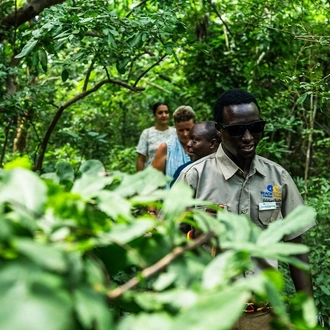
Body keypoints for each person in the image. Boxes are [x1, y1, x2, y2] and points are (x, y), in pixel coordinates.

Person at [176, 88, 314, 329]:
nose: (248, 137)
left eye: (255, 128)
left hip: (263, 316)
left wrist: (307, 315)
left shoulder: (278, 178)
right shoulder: (193, 178)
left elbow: (296, 249)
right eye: (237, 130)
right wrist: (193, 235)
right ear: (219, 131)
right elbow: (166, 248)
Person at [153, 105, 196, 180]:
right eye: (181, 130)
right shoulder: (166, 148)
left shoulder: (203, 145)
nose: (185, 134)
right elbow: (155, 180)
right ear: (175, 128)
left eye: (188, 129)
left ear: (195, 125)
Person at [171, 121, 221, 185]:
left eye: (194, 141)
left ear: (212, 144)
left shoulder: (229, 168)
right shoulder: (183, 172)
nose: (188, 144)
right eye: (189, 139)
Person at [136, 102, 176, 171]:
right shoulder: (147, 133)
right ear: (155, 115)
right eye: (160, 113)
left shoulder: (175, 132)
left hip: (172, 175)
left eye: (166, 112)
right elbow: (141, 159)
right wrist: (140, 179)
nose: (164, 115)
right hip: (152, 176)